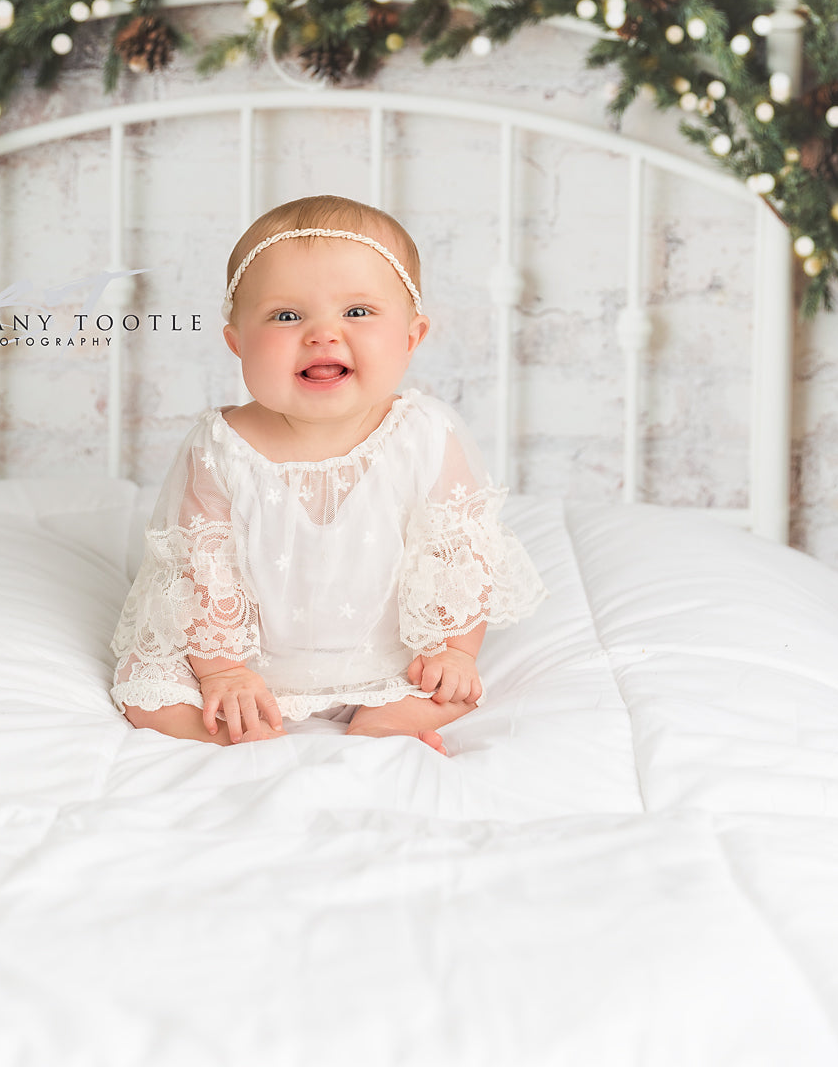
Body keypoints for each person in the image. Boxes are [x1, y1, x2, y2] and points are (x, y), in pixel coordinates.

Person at [110, 194, 548, 756]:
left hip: (387, 662)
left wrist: (455, 652)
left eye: (357, 312)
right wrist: (222, 674)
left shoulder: (424, 434)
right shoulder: (222, 446)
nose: (322, 334)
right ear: (237, 343)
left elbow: (457, 557)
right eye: (287, 315)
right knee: (147, 696)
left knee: (453, 688)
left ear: (411, 337)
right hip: (245, 666)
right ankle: (253, 733)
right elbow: (200, 570)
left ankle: (383, 726)